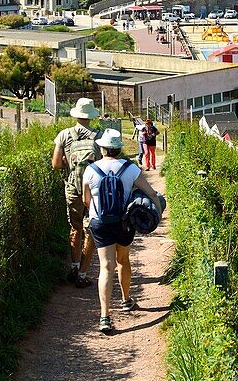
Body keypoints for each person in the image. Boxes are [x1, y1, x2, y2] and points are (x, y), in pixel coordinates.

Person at [82, 129, 164, 335]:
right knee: (123, 261)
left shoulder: (91, 170)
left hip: (100, 223)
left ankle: (104, 316)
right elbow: (151, 193)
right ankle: (126, 300)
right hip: (123, 222)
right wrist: (157, 211)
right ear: (119, 149)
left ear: (101, 148)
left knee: (106, 267)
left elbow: (86, 200)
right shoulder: (130, 168)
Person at [52, 97, 101, 287]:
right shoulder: (99, 136)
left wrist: (68, 162)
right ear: (91, 116)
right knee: (90, 229)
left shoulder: (64, 135)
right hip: (94, 189)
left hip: (72, 187)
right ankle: (82, 274)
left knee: (76, 226)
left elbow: (55, 164)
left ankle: (73, 266)